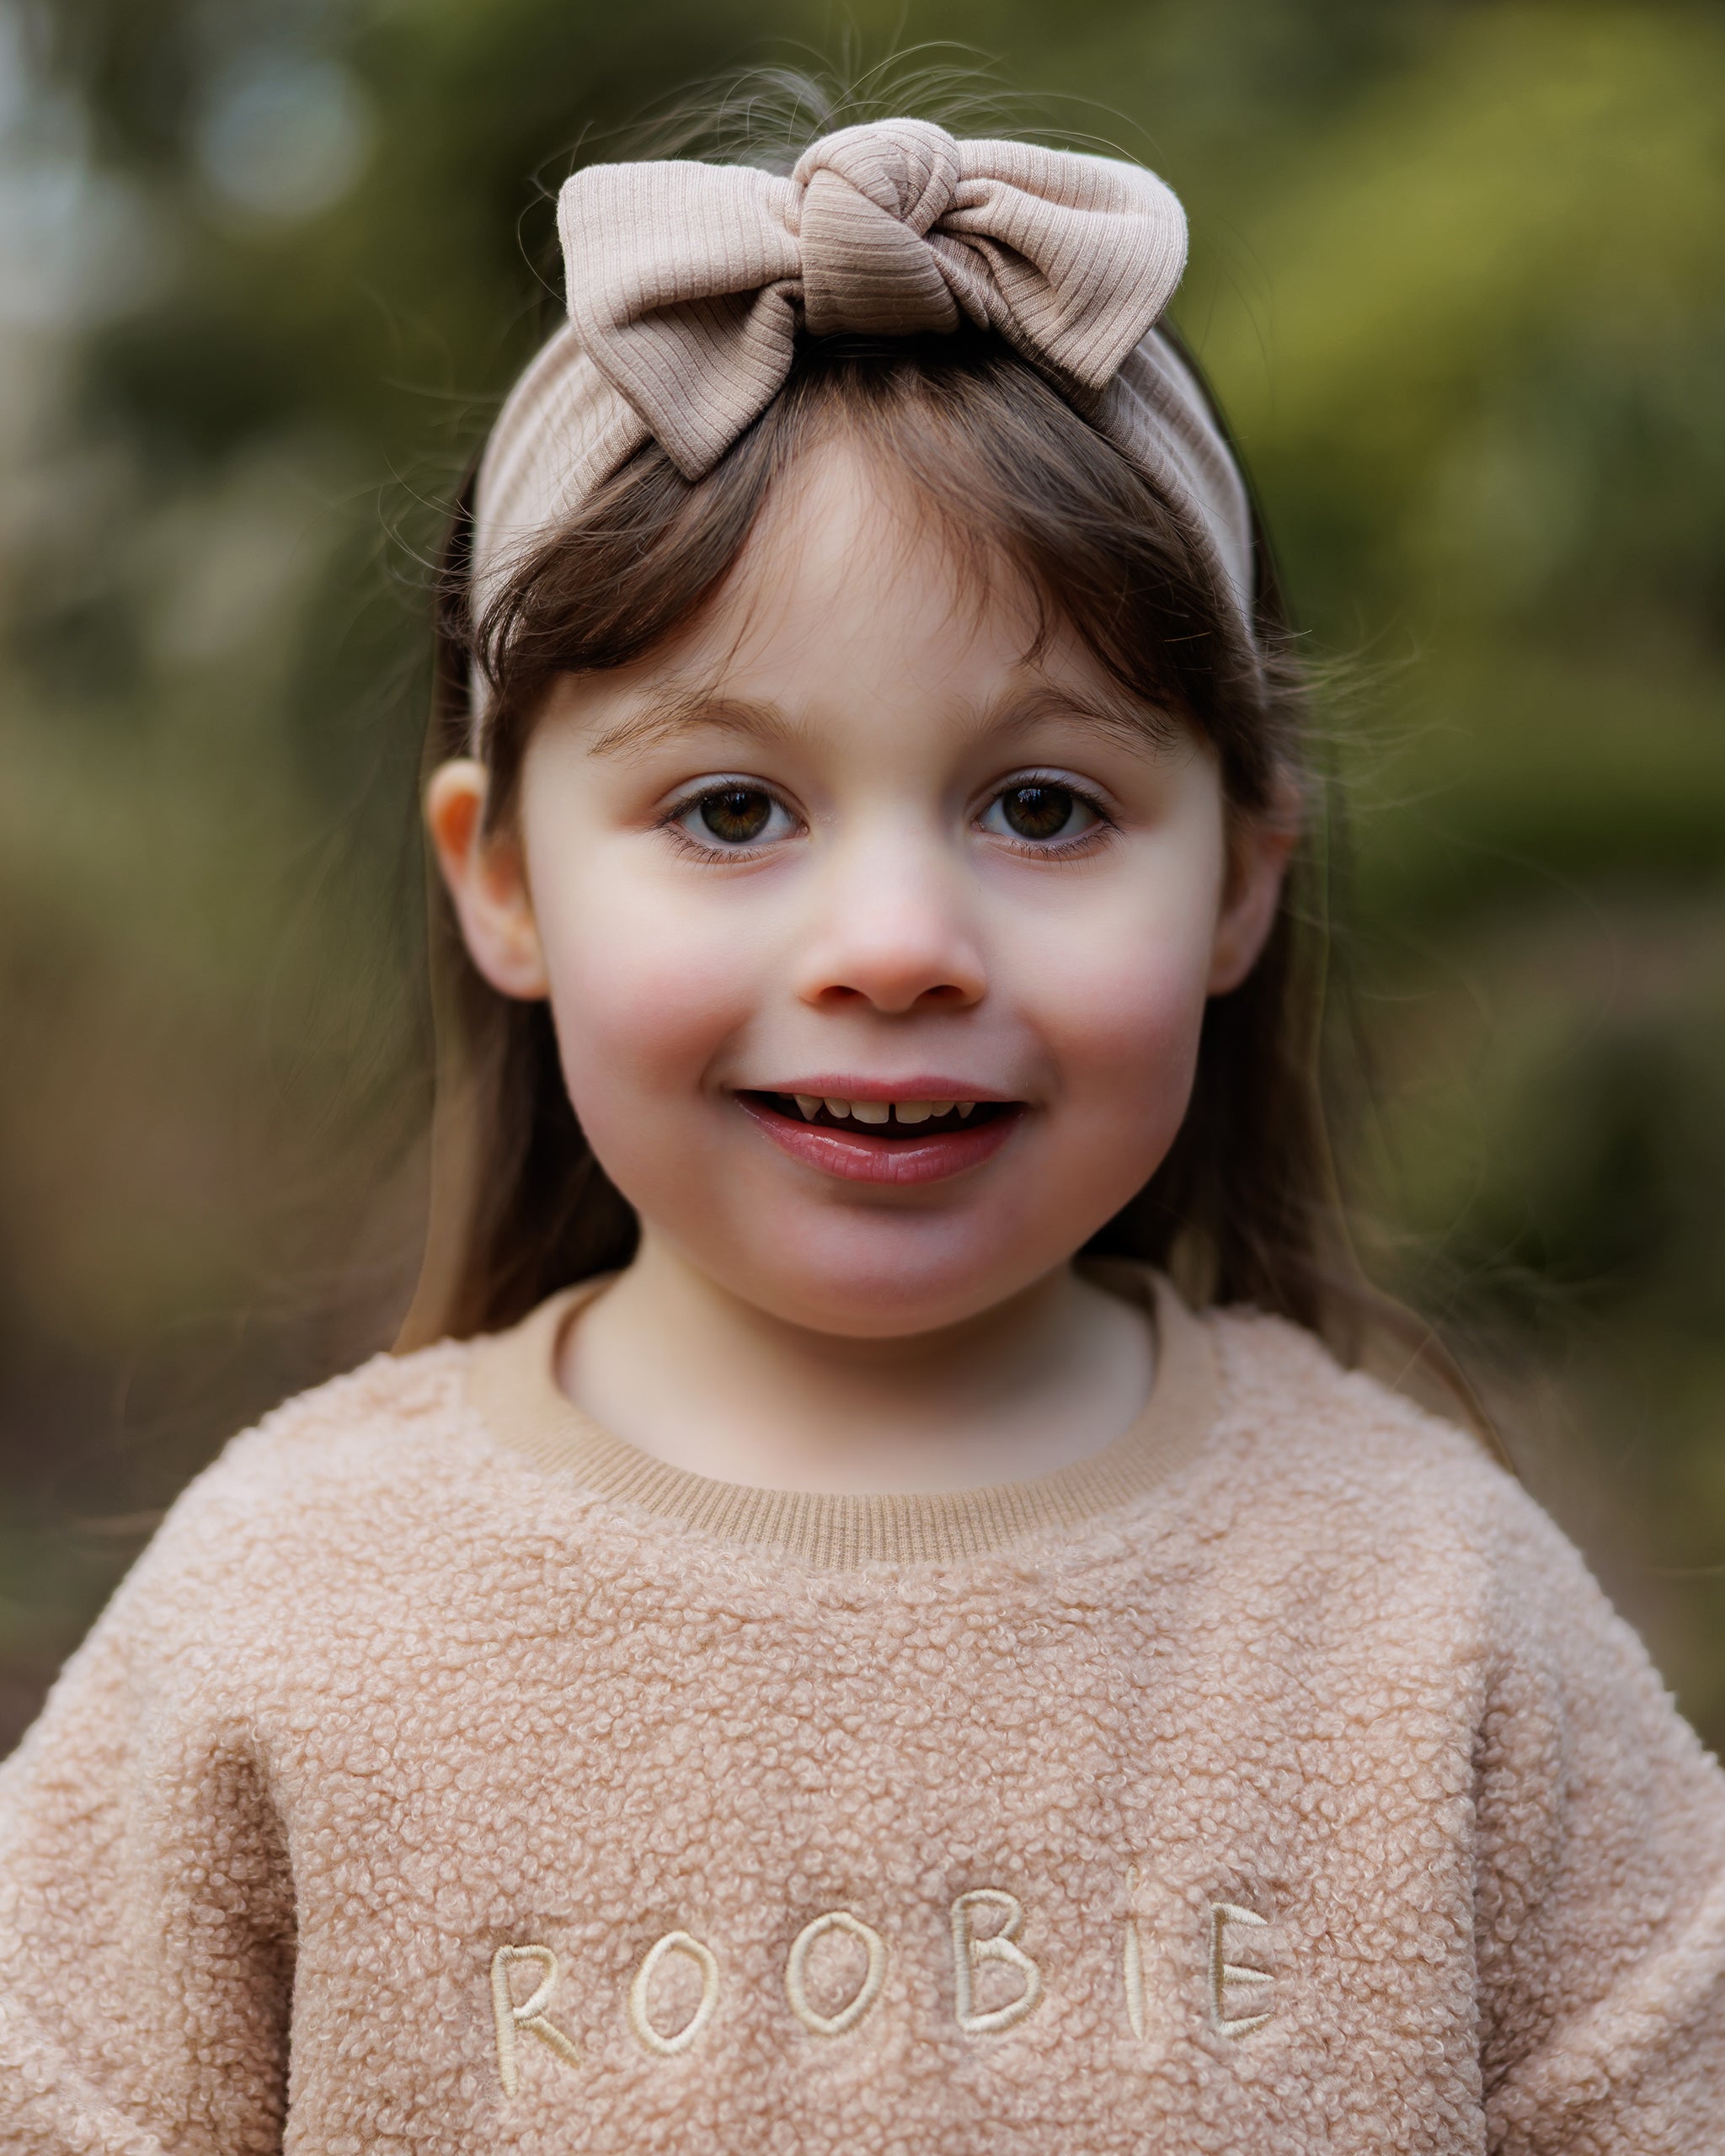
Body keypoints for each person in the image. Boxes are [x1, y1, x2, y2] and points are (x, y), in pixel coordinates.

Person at [1, 112, 1720, 2156]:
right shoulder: (289, 1617)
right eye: (730, 809)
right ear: (508, 882)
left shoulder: (1428, 1620)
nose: (897, 946)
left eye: (1045, 806)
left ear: (1242, 878)